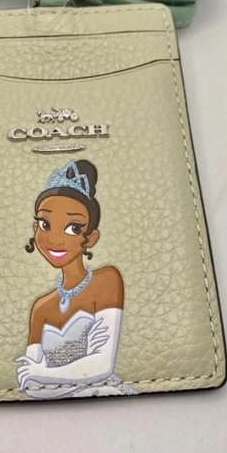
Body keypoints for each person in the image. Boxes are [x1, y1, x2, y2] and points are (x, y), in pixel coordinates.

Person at [16, 160, 137, 398]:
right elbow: (28, 382)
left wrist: (43, 373)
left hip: (103, 398)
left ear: (91, 238)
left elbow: (102, 365)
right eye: (45, 224)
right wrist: (40, 377)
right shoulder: (41, 308)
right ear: (35, 228)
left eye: (73, 228)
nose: (55, 239)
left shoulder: (107, 280)